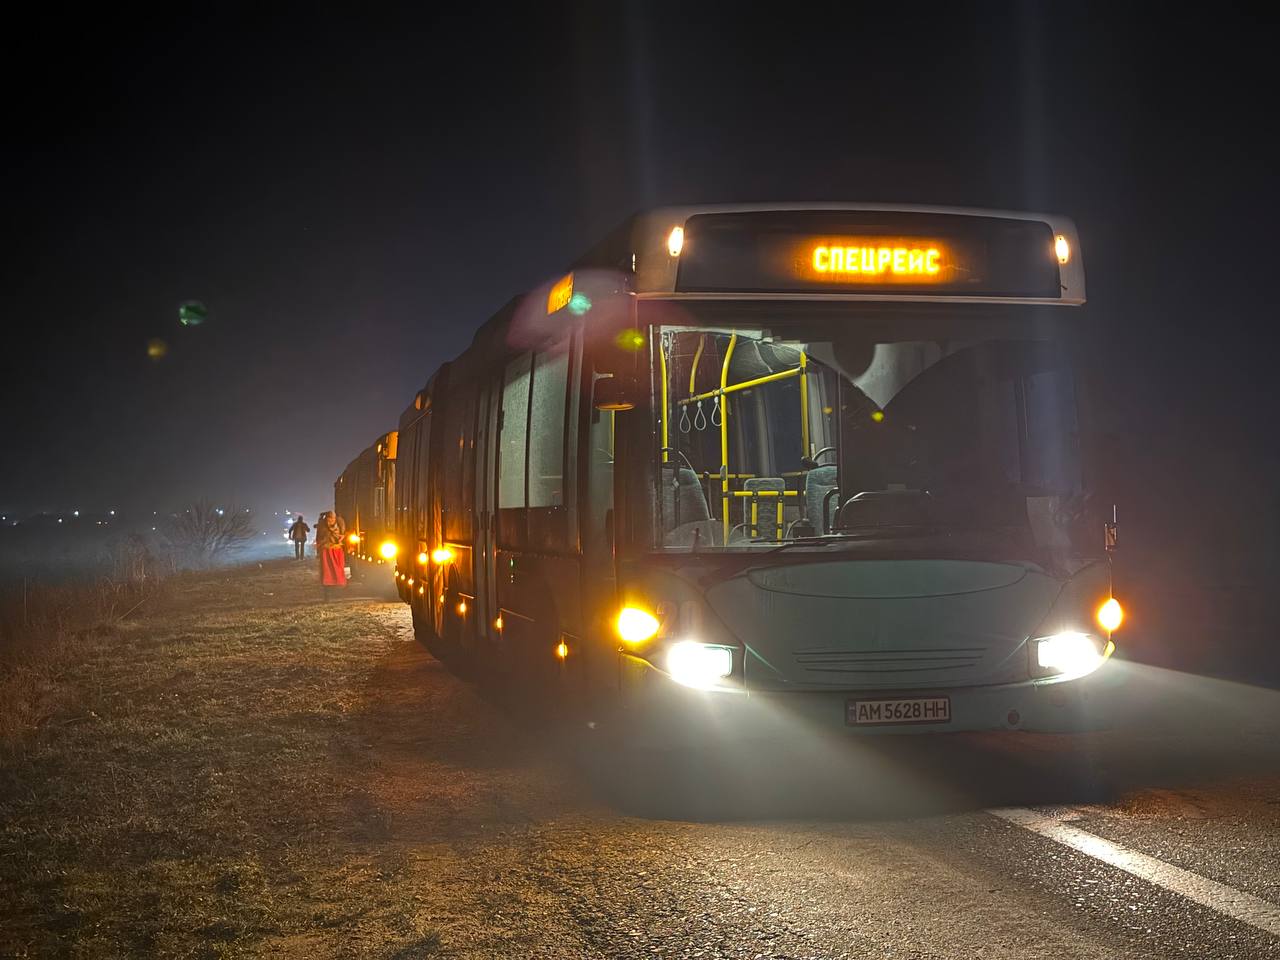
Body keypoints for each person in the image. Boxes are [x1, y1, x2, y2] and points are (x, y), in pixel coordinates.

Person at [315, 510, 347, 599]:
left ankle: (333, 593)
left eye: (332, 518)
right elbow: (319, 538)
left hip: (332, 551)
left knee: (333, 571)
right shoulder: (325, 526)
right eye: (329, 518)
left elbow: (343, 535)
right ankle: (329, 594)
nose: (331, 520)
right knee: (330, 572)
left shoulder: (337, 525)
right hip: (330, 551)